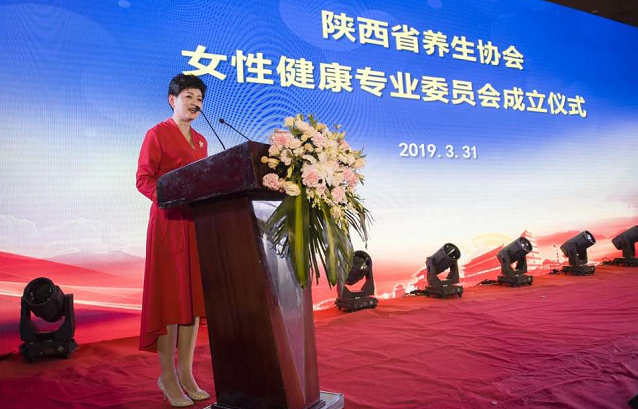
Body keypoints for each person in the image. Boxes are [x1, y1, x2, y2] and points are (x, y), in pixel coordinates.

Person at [136, 74, 210, 407]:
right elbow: (144, 179)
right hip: (168, 224)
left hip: (195, 225)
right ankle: (167, 377)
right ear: (172, 100)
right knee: (170, 300)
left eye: (199, 99)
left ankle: (186, 373)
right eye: (188, 96)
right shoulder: (157, 134)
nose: (195, 103)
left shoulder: (202, 141)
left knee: (191, 303)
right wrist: (171, 198)